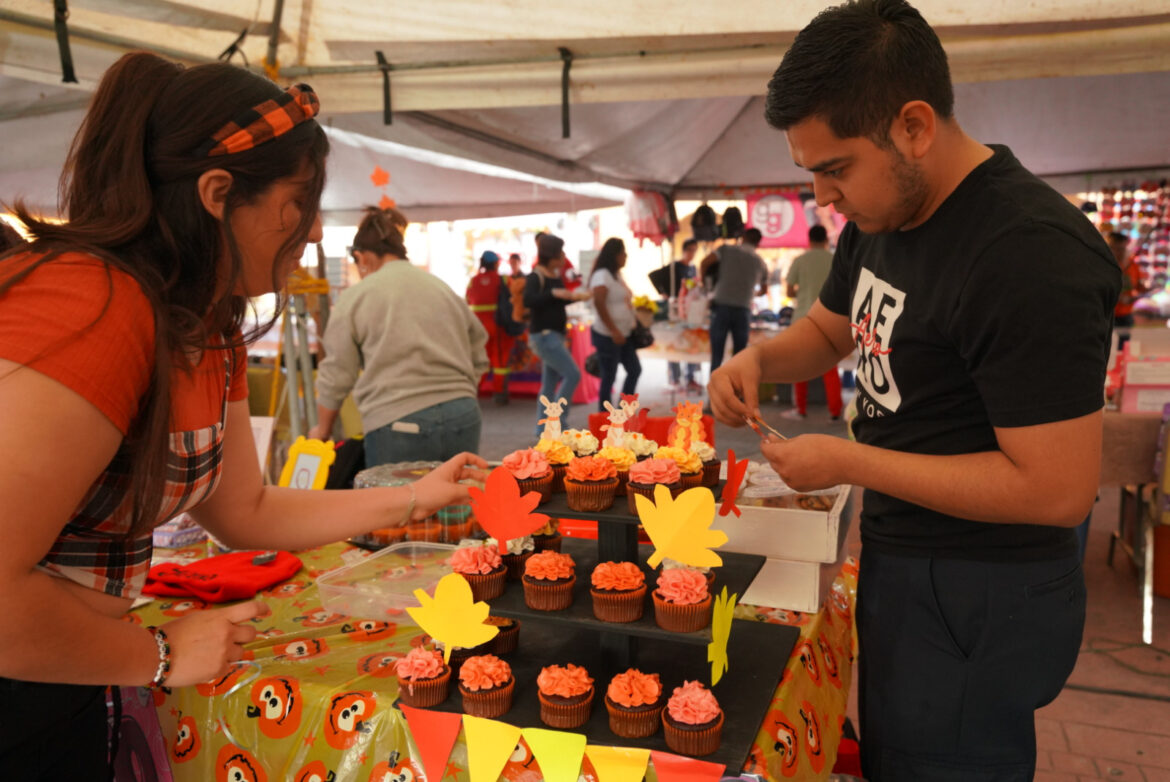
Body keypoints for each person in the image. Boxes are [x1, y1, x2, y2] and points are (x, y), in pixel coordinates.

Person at [0, 52, 486, 778]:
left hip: (61, 672)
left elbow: (246, 509)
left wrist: (419, 496)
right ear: (218, 193)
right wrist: (156, 652)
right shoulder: (96, 306)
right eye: (299, 202)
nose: (317, 232)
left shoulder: (208, 321)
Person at [707, 2, 1120, 778]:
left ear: (914, 127)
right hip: (907, 553)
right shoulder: (886, 210)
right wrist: (758, 358)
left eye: (835, 169)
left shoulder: (1027, 256)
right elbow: (834, 331)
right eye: (813, 174)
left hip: (981, 588)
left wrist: (851, 461)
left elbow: (1058, 489)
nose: (825, 200)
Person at [309, 208, 488, 463]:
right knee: (458, 499)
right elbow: (478, 347)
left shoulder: (356, 297)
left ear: (361, 257)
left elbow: (337, 373)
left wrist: (322, 431)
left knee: (399, 503)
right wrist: (460, 393)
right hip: (463, 414)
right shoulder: (441, 288)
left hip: (397, 421)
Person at [524, 233, 589, 436]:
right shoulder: (536, 276)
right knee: (572, 374)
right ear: (551, 255)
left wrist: (574, 297)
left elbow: (558, 300)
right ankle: (557, 421)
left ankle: (542, 427)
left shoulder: (555, 276)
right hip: (544, 336)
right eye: (560, 253)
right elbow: (529, 300)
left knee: (549, 384)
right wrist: (553, 294)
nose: (563, 257)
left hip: (555, 335)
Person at [783, 223, 843, 420]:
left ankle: (800, 410)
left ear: (809, 240)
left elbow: (789, 291)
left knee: (800, 368)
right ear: (826, 239)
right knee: (830, 368)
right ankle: (835, 410)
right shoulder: (835, 260)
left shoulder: (800, 260)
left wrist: (805, 292)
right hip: (830, 319)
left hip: (803, 319)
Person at [699, 227, 767, 371]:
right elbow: (763, 290)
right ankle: (735, 391)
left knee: (717, 356)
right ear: (758, 243)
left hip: (721, 306)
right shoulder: (760, 262)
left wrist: (706, 286)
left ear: (743, 238)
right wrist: (748, 293)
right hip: (743, 309)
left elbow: (704, 263)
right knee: (739, 357)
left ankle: (715, 391)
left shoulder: (726, 250)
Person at [589, 237, 641, 410]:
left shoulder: (617, 275)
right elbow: (599, 302)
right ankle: (604, 415)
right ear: (615, 255)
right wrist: (613, 330)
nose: (625, 257)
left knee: (634, 369)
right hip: (608, 333)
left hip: (624, 332)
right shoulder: (602, 275)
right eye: (623, 253)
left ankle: (624, 409)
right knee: (609, 376)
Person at [653, 238, 703, 392]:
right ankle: (674, 377)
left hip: (689, 310)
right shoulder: (675, 266)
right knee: (673, 342)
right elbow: (655, 277)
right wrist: (666, 294)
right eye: (690, 250)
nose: (692, 253)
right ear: (685, 250)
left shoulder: (692, 268)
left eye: (695, 250)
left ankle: (690, 377)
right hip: (675, 309)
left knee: (690, 341)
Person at [466, 250, 515, 405]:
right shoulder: (504, 280)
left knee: (480, 360)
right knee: (500, 360)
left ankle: (474, 392)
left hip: (478, 327)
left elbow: (467, 299)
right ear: (496, 263)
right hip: (498, 325)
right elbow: (516, 298)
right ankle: (500, 394)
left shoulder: (473, 280)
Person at [1109, 231, 1146, 335]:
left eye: (1121, 249)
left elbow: (1139, 287)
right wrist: (1119, 297)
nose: (1117, 253)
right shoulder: (1104, 265)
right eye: (1113, 248)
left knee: (1125, 347)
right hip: (1108, 314)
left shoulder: (1132, 265)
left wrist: (1146, 290)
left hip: (1126, 315)